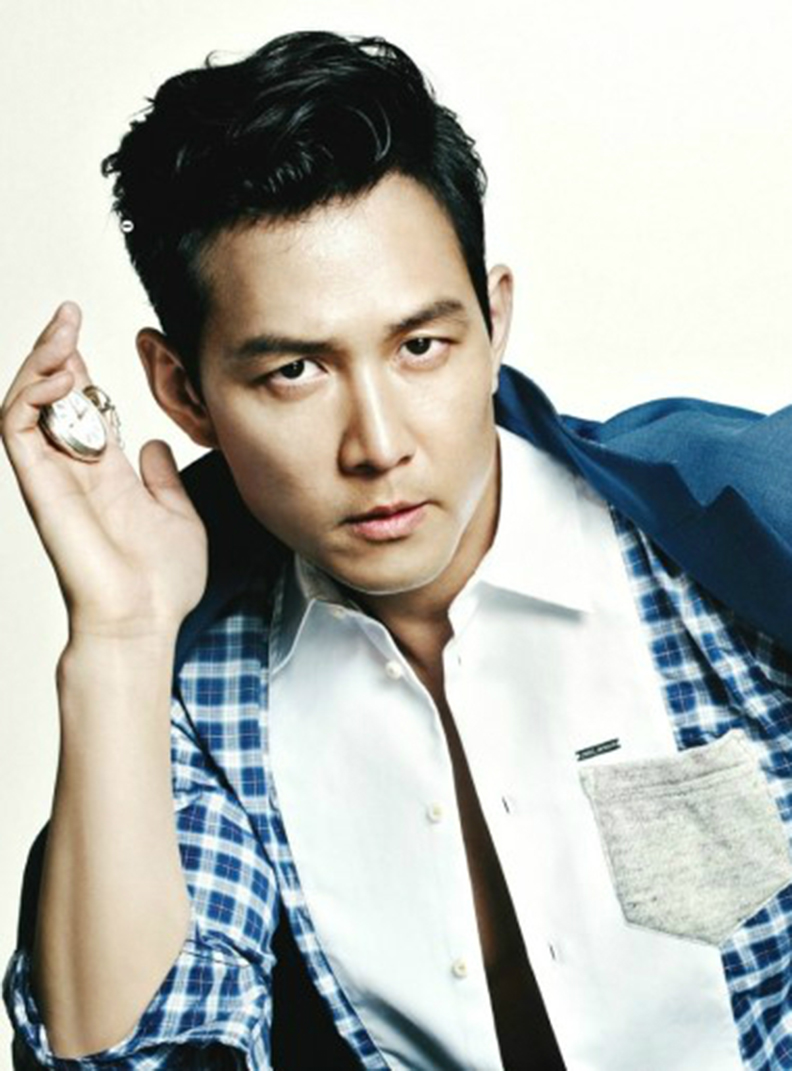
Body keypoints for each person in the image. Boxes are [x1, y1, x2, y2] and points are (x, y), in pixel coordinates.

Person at [3, 28, 792, 1071]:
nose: (378, 445)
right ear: (184, 392)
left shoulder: (728, 540)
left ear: (493, 321)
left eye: (421, 346)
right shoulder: (202, 682)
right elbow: (131, 1059)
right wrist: (119, 637)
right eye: (294, 371)